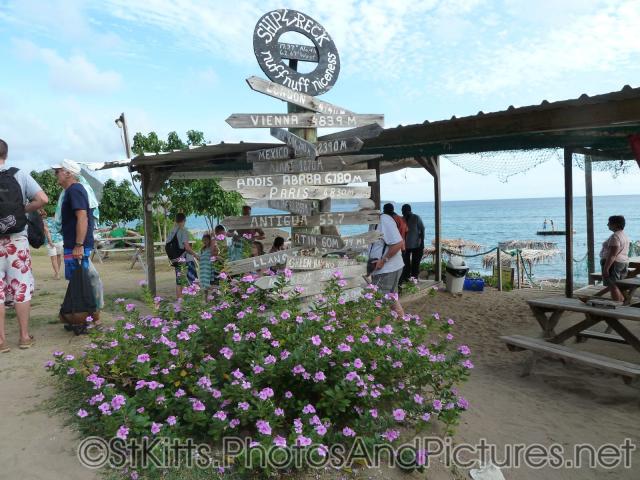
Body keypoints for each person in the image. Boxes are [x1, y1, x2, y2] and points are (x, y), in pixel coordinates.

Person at [0, 138, 49, 352]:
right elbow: (43, 199)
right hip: (17, 241)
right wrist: (22, 211)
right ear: (6, 155)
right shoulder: (18, 174)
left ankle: (1, 342)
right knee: (20, 289)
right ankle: (24, 337)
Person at [53, 159, 104, 319]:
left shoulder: (75, 190)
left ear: (68, 173)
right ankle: (83, 313)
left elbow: (82, 217)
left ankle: (91, 315)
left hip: (77, 246)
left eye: (58, 171)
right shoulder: (70, 191)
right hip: (72, 245)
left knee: (83, 278)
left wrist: (78, 245)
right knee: (79, 279)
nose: (56, 174)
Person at [368, 207, 405, 319]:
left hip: (387, 269)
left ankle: (375, 332)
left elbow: (398, 243)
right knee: (392, 298)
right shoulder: (373, 222)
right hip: (384, 269)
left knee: (376, 303)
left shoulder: (384, 221)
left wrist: (383, 261)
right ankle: (404, 326)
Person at [167, 213, 199, 298]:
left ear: (176, 220)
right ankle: (194, 302)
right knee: (194, 282)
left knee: (179, 282)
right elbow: (187, 248)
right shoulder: (183, 231)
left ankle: (179, 304)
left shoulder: (171, 231)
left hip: (176, 261)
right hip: (186, 260)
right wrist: (196, 255)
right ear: (184, 220)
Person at [600, 215, 630, 302]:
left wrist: (606, 269)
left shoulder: (615, 237)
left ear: (616, 224)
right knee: (618, 285)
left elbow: (612, 254)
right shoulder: (624, 235)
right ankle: (621, 304)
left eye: (609, 223)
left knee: (613, 286)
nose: (607, 224)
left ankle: (617, 306)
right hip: (623, 262)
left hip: (614, 264)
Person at [400, 204, 425, 284]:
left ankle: (414, 280)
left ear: (408, 210)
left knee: (415, 263)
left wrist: (422, 243)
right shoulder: (402, 219)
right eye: (402, 210)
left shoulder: (416, 218)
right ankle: (406, 279)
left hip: (417, 245)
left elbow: (422, 229)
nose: (402, 212)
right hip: (405, 246)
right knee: (405, 263)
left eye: (404, 210)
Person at [41, 209, 63, 279]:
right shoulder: (55, 220)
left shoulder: (43, 222)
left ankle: (57, 274)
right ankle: (57, 273)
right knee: (59, 257)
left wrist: (50, 241)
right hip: (60, 240)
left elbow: (47, 231)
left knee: (54, 259)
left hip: (51, 241)